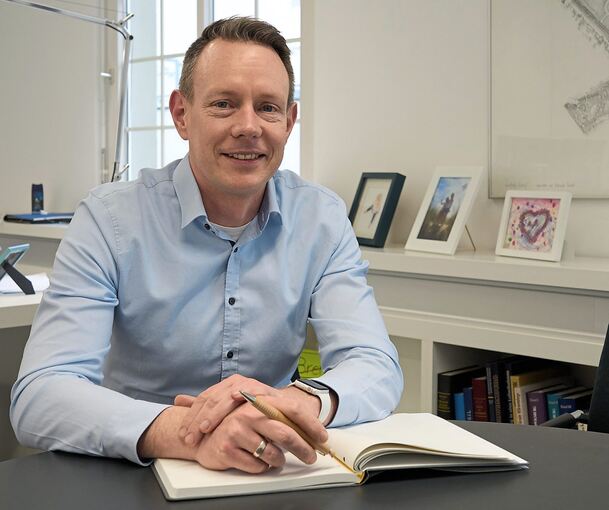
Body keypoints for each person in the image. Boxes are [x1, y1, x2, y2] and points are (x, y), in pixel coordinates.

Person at [10, 17, 402, 474]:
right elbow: (40, 393)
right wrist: (189, 433)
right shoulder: (108, 219)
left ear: (290, 121)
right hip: (133, 470)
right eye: (224, 104)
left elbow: (374, 363)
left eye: (269, 108)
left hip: (268, 469)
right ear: (181, 114)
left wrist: (294, 401)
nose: (249, 126)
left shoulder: (322, 219)